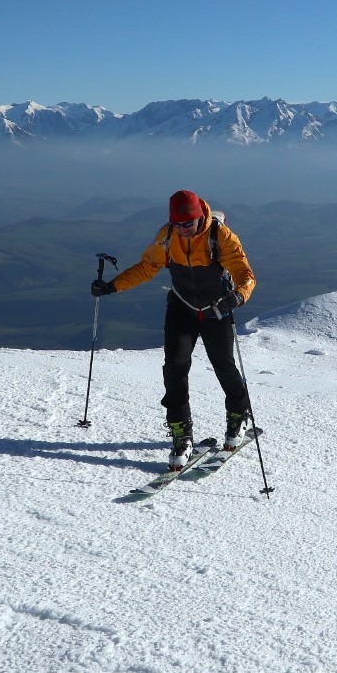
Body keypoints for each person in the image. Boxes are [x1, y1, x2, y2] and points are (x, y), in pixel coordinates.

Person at [91, 190, 256, 469]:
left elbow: (245, 275)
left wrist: (238, 296)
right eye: (177, 225)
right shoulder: (167, 236)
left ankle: (238, 416)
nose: (183, 230)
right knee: (175, 368)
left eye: (187, 225)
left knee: (224, 366)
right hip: (182, 307)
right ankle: (181, 435)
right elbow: (147, 267)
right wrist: (112, 286)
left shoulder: (221, 237)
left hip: (217, 308)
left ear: (199, 217)